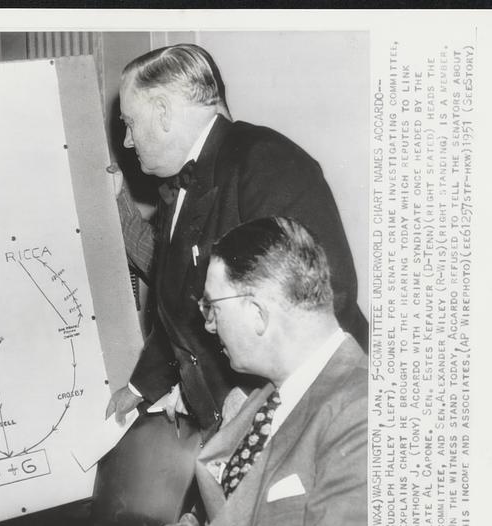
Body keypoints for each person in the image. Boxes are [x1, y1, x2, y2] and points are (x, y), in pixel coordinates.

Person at [107, 44, 368, 432]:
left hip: (318, 416)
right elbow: (183, 303)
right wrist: (141, 385)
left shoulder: (266, 160)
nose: (127, 141)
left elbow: (327, 294)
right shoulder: (183, 182)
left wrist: (254, 394)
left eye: (130, 122)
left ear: (162, 112)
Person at [91, 217, 367, 526]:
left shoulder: (364, 416)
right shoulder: (263, 403)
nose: (207, 325)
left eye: (212, 307)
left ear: (257, 314)